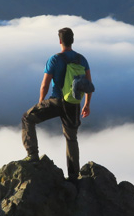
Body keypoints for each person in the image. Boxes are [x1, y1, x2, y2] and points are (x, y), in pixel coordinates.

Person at [21, 27, 92, 180]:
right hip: (73, 103)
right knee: (71, 139)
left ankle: (32, 155)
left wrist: (41, 102)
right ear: (72, 40)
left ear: (60, 41)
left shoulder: (54, 59)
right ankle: (74, 176)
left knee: (27, 118)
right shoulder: (82, 59)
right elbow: (88, 85)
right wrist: (87, 105)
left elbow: (45, 84)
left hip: (56, 101)